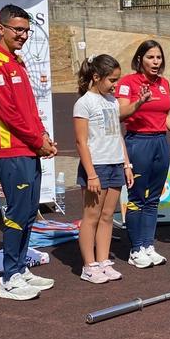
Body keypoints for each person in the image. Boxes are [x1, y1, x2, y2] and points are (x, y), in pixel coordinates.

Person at [0, 4, 57, 301]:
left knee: (28, 213)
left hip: (29, 147)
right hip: (12, 150)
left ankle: (20, 269)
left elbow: (28, 108)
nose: (23, 35)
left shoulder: (16, 62)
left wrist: (43, 135)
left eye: (26, 30)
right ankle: (8, 278)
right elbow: (8, 114)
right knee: (17, 213)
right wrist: (37, 140)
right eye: (17, 30)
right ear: (1, 28)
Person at [115, 40, 170, 269]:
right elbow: (119, 113)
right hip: (138, 142)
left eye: (159, 57)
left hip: (160, 142)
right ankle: (136, 247)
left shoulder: (163, 83)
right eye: (151, 57)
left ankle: (148, 245)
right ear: (140, 59)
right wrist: (140, 102)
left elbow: (166, 114)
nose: (156, 62)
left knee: (153, 198)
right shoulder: (128, 83)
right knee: (137, 197)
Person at [73, 54, 134, 285]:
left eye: (117, 80)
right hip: (96, 166)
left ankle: (103, 261)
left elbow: (117, 135)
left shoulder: (113, 101)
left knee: (108, 216)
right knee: (91, 217)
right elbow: (81, 142)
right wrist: (91, 174)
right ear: (96, 77)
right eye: (111, 80)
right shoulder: (84, 103)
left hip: (115, 163)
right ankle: (89, 266)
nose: (115, 85)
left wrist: (126, 164)